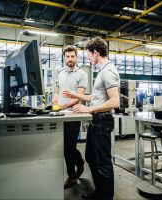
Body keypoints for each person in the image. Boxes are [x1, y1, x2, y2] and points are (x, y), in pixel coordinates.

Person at [63, 37, 120, 200]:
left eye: (88, 54)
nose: (88, 58)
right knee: (91, 157)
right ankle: (99, 192)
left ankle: (105, 196)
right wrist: (76, 95)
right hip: (97, 121)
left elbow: (114, 102)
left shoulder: (108, 71)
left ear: (95, 53)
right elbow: (96, 98)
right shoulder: (102, 71)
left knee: (102, 161)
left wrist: (88, 109)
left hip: (103, 120)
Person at [50, 45, 88, 189]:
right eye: (68, 56)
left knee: (68, 148)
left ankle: (73, 174)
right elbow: (57, 93)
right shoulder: (60, 73)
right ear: (64, 58)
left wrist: (63, 106)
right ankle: (77, 166)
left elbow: (79, 98)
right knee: (65, 147)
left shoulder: (82, 74)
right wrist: (53, 102)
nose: (70, 59)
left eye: (73, 56)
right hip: (59, 115)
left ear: (76, 57)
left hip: (73, 115)